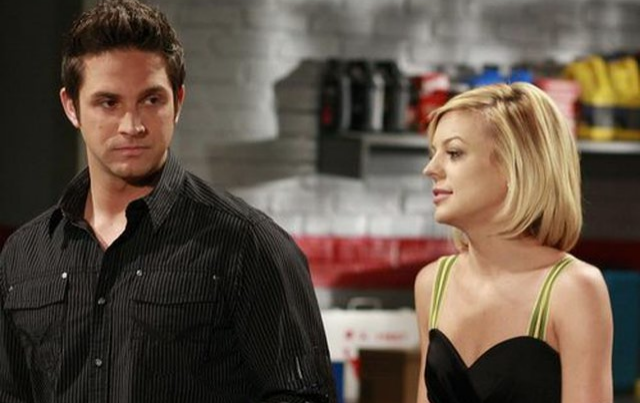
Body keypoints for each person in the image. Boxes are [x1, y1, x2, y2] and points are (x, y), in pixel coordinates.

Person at [0, 1, 336, 402]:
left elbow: (304, 396)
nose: (132, 125)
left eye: (151, 100)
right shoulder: (23, 255)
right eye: (108, 103)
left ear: (178, 101)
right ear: (71, 108)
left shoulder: (248, 244)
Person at [414, 82, 613, 403]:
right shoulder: (432, 283)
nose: (431, 169)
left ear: (513, 166)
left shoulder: (573, 289)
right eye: (432, 154)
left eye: (454, 153)